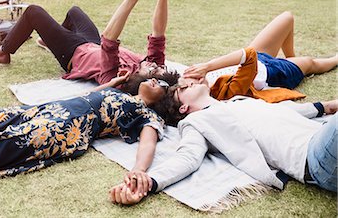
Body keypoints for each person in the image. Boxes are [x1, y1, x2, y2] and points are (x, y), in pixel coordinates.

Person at [0, 74, 172, 189]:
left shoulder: (147, 115)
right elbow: (91, 97)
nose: (154, 78)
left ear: (162, 101)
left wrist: (139, 169)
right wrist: (114, 82)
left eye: (161, 83)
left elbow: (147, 143)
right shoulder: (119, 91)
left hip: (60, 129)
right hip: (38, 110)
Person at [109, 83, 338, 205]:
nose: (190, 83)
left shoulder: (236, 102)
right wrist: (149, 182)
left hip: (322, 136)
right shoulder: (196, 121)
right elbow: (188, 157)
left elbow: (280, 112)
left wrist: (325, 106)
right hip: (314, 156)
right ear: (183, 108)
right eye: (184, 88)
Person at [0, 0, 179, 88]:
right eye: (159, 67)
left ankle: (3, 52)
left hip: (72, 54)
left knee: (33, 12)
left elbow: (109, 39)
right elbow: (158, 33)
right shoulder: (152, 67)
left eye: (154, 69)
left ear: (147, 82)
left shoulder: (117, 78)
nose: (155, 64)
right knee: (74, 12)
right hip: (92, 44)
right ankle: (51, 39)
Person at [183, 11, 337, 93]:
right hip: (273, 73)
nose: (191, 84)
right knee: (312, 63)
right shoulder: (208, 97)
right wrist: (208, 67)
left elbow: (248, 53)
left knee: (287, 18)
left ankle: (292, 61)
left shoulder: (181, 81)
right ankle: (329, 61)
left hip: (254, 58)